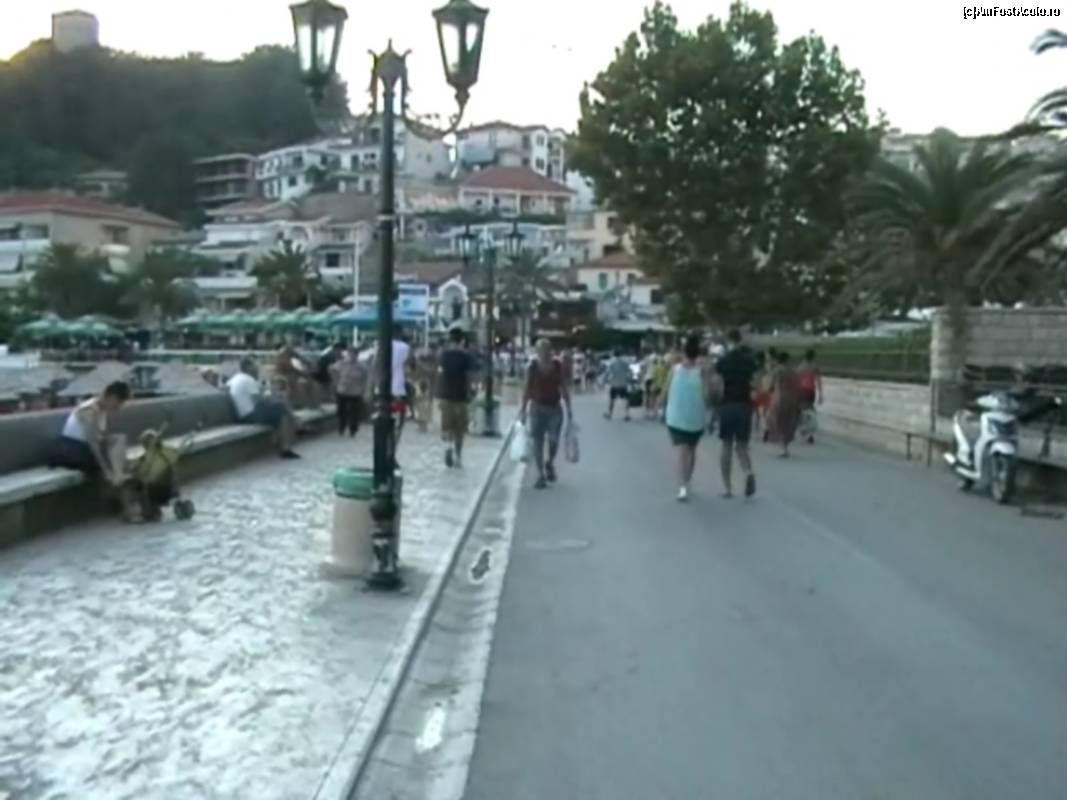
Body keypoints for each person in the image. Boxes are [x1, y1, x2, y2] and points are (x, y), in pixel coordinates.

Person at [661, 336, 710, 501]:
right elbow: (706, 394)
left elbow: (665, 390)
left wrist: (659, 405)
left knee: (683, 451)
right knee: (691, 450)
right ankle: (686, 481)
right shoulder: (702, 372)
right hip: (696, 417)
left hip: (676, 417)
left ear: (684, 353)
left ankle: (683, 486)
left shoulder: (675, 370)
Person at [521, 338, 573, 490]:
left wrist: (569, 408)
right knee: (537, 441)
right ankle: (540, 475)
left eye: (546, 350)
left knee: (553, 440)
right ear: (537, 352)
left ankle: (549, 462)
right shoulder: (532, 367)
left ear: (550, 351)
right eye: (541, 350)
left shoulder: (557, 366)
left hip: (554, 408)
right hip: (537, 408)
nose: (544, 353)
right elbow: (527, 388)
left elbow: (563, 387)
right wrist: (523, 409)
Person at [227, 357, 300, 459]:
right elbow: (259, 401)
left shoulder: (235, 378)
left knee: (278, 411)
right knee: (282, 410)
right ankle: (286, 447)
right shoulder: (248, 379)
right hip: (250, 415)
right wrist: (272, 399)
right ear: (248, 367)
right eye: (254, 366)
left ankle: (284, 438)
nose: (256, 369)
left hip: (240, 415)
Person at [715, 330, 758, 498]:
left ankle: (727, 487)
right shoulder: (749, 361)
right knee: (741, 446)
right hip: (744, 405)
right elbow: (756, 383)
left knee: (726, 445)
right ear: (741, 340)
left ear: (728, 340)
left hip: (727, 405)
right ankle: (747, 472)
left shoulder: (722, 361)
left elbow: (718, 385)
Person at [438, 327, 476, 468]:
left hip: (446, 395)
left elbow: (440, 375)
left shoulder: (444, 356)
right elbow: (469, 377)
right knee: (459, 430)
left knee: (447, 426)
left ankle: (448, 447)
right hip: (461, 396)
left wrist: (439, 393)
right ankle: (458, 457)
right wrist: (470, 392)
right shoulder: (466, 357)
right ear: (462, 341)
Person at [770, 351, 802, 458]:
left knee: (777, 421)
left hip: (779, 398)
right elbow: (797, 386)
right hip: (792, 398)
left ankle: (783, 447)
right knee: (789, 422)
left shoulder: (776, 370)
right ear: (787, 360)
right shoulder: (793, 371)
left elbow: (770, 386)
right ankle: (785, 446)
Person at [331, 345, 368, 437]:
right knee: (341, 411)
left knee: (354, 412)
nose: (352, 356)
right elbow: (332, 370)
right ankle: (342, 427)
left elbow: (365, 378)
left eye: (354, 354)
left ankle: (353, 429)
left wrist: (364, 389)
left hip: (355, 391)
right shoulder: (342, 363)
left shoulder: (361, 366)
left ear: (357, 355)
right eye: (350, 354)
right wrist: (336, 382)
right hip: (342, 390)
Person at [797, 349, 824, 444]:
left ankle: (804, 430)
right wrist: (821, 394)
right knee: (811, 411)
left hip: (801, 390)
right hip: (810, 391)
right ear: (813, 357)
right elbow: (818, 381)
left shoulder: (800, 367)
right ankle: (810, 433)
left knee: (803, 411)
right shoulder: (815, 367)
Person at [604, 350, 632, 421]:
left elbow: (607, 373)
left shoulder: (612, 363)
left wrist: (606, 380)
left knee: (612, 400)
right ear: (620, 355)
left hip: (614, 384)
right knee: (625, 399)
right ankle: (627, 414)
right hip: (623, 384)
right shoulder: (625, 363)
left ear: (614, 355)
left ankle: (609, 414)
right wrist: (629, 380)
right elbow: (629, 372)